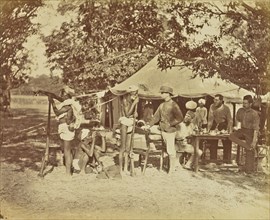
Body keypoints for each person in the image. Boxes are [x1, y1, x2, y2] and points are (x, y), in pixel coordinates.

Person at [144, 85, 183, 173]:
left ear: (168, 94)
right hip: (162, 129)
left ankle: (172, 169)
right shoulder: (161, 105)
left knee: (170, 150)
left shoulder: (174, 105)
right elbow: (155, 117)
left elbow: (180, 118)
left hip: (170, 131)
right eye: (161, 92)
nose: (161, 94)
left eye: (163, 93)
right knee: (148, 134)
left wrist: (170, 124)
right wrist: (148, 126)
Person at [47, 86, 80, 176]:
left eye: (64, 95)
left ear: (68, 97)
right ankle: (70, 168)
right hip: (64, 127)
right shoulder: (66, 104)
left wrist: (52, 102)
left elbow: (57, 112)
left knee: (67, 151)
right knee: (66, 150)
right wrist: (50, 96)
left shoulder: (68, 106)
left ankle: (68, 173)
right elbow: (58, 98)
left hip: (67, 128)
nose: (62, 96)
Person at [229, 95, 260, 173]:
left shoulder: (254, 114)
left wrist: (254, 141)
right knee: (231, 136)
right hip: (242, 130)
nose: (243, 105)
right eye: (243, 103)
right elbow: (237, 119)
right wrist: (236, 126)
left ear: (250, 104)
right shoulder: (240, 110)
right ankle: (248, 147)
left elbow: (256, 129)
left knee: (250, 150)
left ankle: (249, 170)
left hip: (250, 132)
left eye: (245, 103)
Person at [118, 85, 139, 175]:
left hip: (130, 122)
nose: (135, 94)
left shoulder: (132, 99)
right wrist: (134, 104)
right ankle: (120, 170)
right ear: (131, 92)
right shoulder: (125, 99)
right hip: (124, 123)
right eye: (134, 92)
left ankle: (126, 168)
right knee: (122, 148)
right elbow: (126, 114)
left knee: (128, 148)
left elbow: (131, 114)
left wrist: (135, 114)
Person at [207, 94, 233, 160]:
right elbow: (210, 119)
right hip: (215, 124)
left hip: (223, 125)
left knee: (227, 143)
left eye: (216, 100)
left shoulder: (226, 108)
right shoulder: (212, 106)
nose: (214, 101)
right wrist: (208, 130)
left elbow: (230, 120)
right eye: (214, 99)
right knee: (213, 142)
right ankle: (213, 160)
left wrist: (229, 131)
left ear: (221, 101)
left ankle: (226, 160)